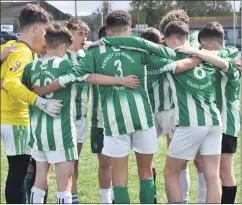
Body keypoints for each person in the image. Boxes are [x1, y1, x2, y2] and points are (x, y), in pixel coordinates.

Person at [0, 4, 61, 204]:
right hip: (15, 119)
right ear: (35, 28)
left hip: (7, 118)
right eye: (44, 29)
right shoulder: (23, 52)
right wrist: (39, 101)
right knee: (17, 176)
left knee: (18, 173)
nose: (45, 35)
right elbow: (10, 82)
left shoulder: (7, 48)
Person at [198, 22, 241, 204]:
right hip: (212, 123)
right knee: (210, 170)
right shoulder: (218, 57)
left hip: (226, 123)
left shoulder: (230, 63)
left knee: (225, 171)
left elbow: (225, 56)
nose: (201, 49)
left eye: (203, 46)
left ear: (213, 45)